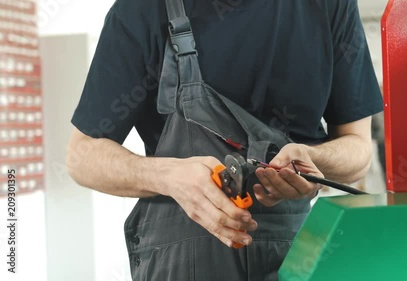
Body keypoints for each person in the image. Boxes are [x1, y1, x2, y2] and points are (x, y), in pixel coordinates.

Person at [67, 0, 383, 280]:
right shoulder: (144, 9)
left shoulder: (332, 6)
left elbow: (358, 150)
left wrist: (315, 160)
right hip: (181, 263)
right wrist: (168, 176)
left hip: (300, 259)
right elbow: (82, 156)